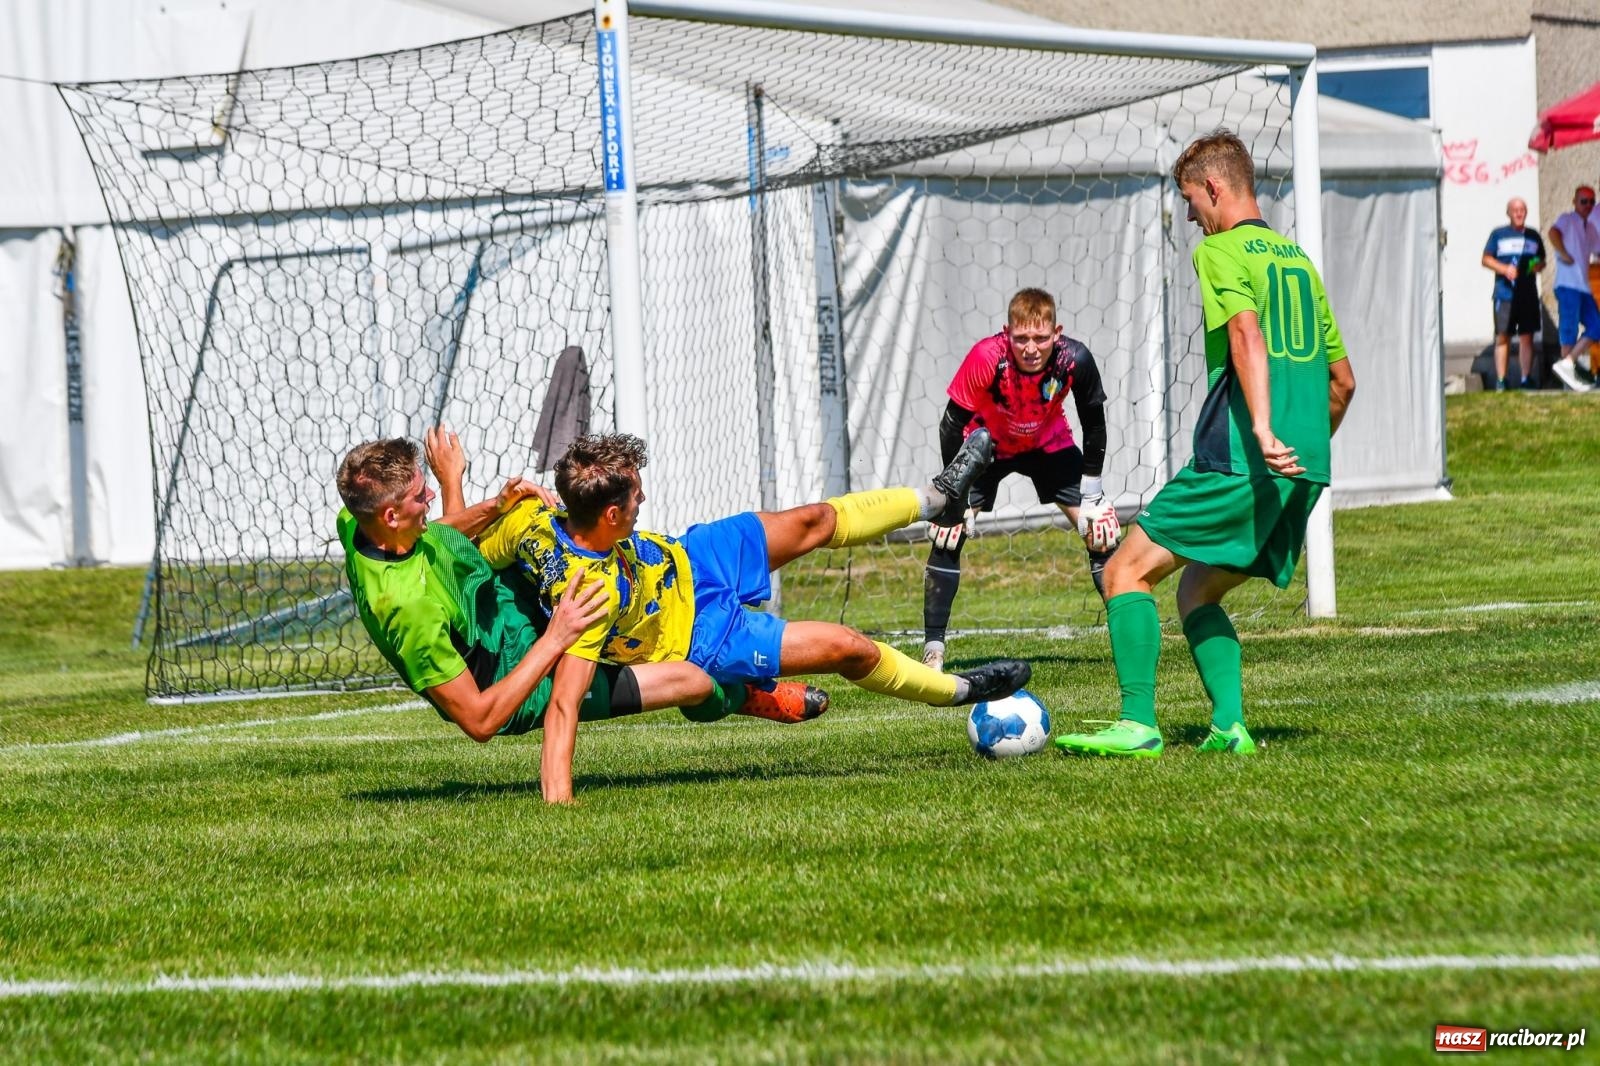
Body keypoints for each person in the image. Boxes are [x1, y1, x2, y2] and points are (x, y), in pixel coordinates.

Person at [471, 429, 1032, 803]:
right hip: (704, 637)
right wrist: (559, 808)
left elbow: (466, 561)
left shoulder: (530, 520)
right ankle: (958, 689)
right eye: (637, 496)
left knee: (811, 520)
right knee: (846, 647)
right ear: (612, 514)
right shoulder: (592, 596)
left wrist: (494, 502)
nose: (644, 499)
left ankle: (941, 494)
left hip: (692, 556)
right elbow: (565, 705)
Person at [1055, 129, 1356, 759]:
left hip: (1240, 459)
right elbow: (1342, 382)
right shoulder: (1297, 260)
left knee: (1123, 571)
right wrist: (1302, 447)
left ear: (1214, 189)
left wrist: (1266, 433)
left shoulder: (1222, 252)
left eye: (1191, 202)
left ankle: (1136, 723)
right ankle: (1230, 726)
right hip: (1301, 474)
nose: (1191, 218)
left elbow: (1245, 334)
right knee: (1197, 590)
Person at [334, 432, 822, 771]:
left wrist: (492, 506)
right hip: (519, 678)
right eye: (424, 495)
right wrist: (556, 637)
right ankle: (748, 695)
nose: (432, 497)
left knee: (533, 523)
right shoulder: (409, 612)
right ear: (394, 514)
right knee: (692, 681)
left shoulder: (359, 523)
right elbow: (480, 720)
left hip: (507, 607)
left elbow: (439, 543)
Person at [921, 287, 1118, 672]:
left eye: (1041, 338)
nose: (1031, 348)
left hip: (1048, 442)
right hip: (986, 445)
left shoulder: (1074, 358)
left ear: (1056, 333)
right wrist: (954, 497)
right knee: (947, 534)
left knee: (1102, 533)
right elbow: (951, 425)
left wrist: (1093, 496)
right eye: (1021, 338)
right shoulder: (986, 357)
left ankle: (1130, 638)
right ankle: (933, 652)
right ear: (1006, 332)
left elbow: (1094, 424)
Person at [1481, 197, 1545, 391]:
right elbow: (1486, 259)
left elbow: (1541, 260)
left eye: (1522, 210)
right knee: (1503, 337)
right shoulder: (1498, 234)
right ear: (1508, 213)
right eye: (1515, 210)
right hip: (1505, 294)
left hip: (1527, 294)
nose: (1519, 213)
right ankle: (1502, 380)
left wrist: (1535, 266)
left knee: (1527, 337)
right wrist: (1504, 268)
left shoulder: (1533, 235)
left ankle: (1526, 379)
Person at [1545, 186, 1599, 392]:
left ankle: (1568, 364)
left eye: (1591, 202)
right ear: (1574, 201)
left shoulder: (1590, 228)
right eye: (1583, 201)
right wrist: (1564, 252)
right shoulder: (1567, 219)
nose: (1587, 205)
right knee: (1569, 329)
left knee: (1597, 326)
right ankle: (1567, 379)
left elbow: (1598, 248)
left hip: (1583, 287)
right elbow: (1552, 232)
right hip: (1568, 285)